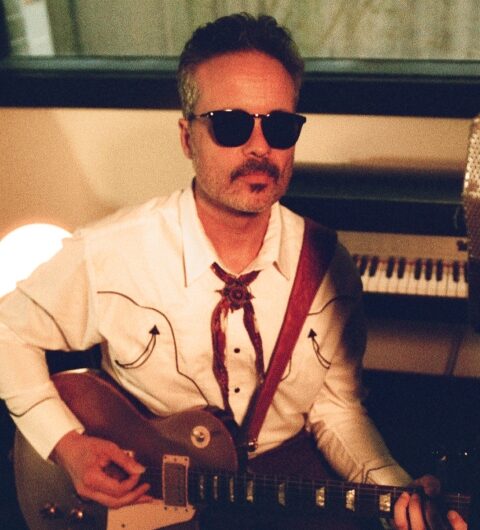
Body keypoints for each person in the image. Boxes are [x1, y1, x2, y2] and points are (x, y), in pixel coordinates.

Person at [0, 12, 458, 530]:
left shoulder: (330, 267)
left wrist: (392, 488)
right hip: (148, 486)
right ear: (187, 137)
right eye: (231, 124)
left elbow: (338, 410)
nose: (260, 147)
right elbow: (7, 330)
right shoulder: (112, 252)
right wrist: (66, 445)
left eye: (279, 126)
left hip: (280, 481)